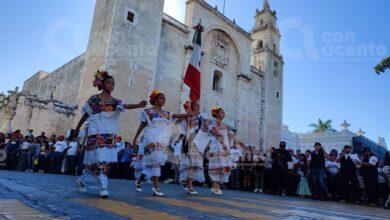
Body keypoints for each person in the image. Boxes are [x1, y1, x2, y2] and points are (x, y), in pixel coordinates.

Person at [74, 70, 147, 198]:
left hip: (109, 135)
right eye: (109, 83)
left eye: (113, 83)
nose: (111, 85)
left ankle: (82, 180)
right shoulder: (94, 99)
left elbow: (126, 105)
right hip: (95, 133)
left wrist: (138, 105)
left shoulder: (115, 101)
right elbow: (86, 114)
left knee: (101, 162)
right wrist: (77, 129)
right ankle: (103, 187)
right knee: (100, 160)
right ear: (102, 83)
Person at [133, 89, 193, 196]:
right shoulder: (147, 112)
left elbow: (178, 116)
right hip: (150, 138)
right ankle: (156, 186)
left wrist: (189, 114)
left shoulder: (166, 114)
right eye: (161, 98)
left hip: (161, 139)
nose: (163, 100)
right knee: (155, 158)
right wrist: (136, 137)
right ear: (155, 100)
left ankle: (139, 180)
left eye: (164, 98)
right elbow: (142, 125)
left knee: (151, 162)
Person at [179, 100, 210, 195]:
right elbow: (178, 122)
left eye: (198, 105)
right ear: (192, 107)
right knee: (190, 163)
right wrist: (187, 114)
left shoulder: (201, 116)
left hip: (198, 141)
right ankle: (190, 185)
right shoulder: (187, 116)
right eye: (195, 105)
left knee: (194, 164)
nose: (198, 107)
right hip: (189, 139)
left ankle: (187, 182)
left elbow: (206, 126)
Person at [208, 106, 233, 195]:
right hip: (216, 146)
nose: (223, 114)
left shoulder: (225, 125)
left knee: (225, 166)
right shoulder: (213, 122)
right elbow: (213, 132)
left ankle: (217, 186)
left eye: (224, 112)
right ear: (217, 114)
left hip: (225, 147)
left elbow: (229, 135)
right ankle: (214, 186)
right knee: (217, 165)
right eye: (221, 112)